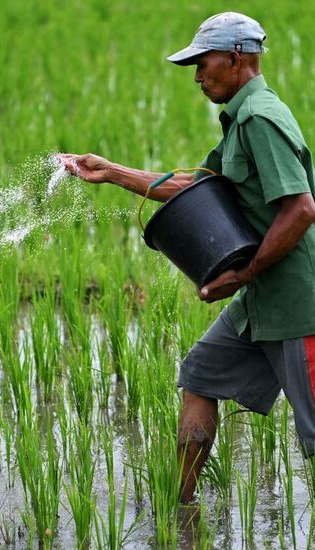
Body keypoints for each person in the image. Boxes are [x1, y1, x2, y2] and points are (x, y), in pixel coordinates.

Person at [60, 12, 315, 503]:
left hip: (297, 302)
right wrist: (110, 171)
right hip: (262, 299)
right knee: (201, 373)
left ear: (236, 58)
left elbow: (301, 208)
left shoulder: (262, 118)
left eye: (203, 63)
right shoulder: (242, 120)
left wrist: (243, 274)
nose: (198, 76)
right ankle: (177, 506)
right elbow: (196, 187)